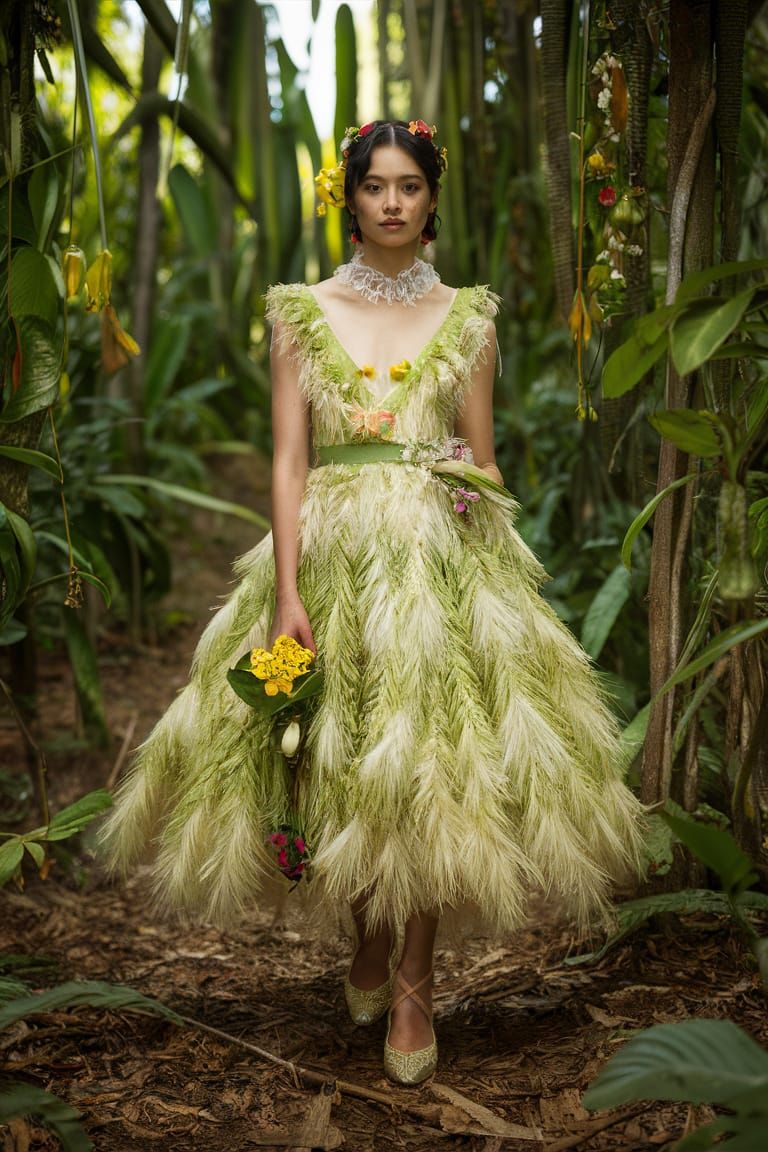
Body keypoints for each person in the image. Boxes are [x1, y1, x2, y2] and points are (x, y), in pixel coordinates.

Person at [102, 119, 644, 1086]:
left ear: (433, 200)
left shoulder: (469, 315)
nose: (392, 202)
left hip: (439, 556)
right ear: (347, 198)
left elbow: (483, 453)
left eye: (410, 186)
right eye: (374, 186)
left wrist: (467, 484)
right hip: (333, 547)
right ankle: (364, 933)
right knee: (341, 752)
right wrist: (289, 593)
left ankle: (416, 982)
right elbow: (287, 457)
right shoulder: (299, 311)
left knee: (431, 758)